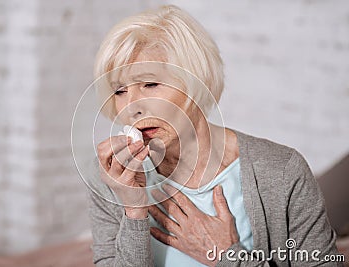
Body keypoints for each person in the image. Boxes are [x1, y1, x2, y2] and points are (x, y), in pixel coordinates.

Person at [87, 5, 341, 266]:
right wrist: (134, 211)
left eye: (150, 84)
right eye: (119, 90)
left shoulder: (280, 171)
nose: (132, 106)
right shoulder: (113, 178)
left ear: (197, 82)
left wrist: (227, 257)